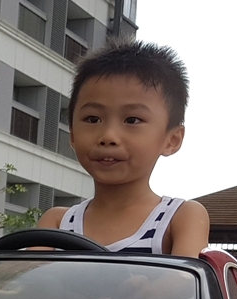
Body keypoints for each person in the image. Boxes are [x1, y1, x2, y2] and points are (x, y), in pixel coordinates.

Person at [38, 40, 211, 258]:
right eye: (93, 119)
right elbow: (29, 276)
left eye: (132, 120)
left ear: (172, 140)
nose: (108, 136)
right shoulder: (57, 222)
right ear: (72, 134)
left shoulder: (180, 217)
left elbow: (185, 278)